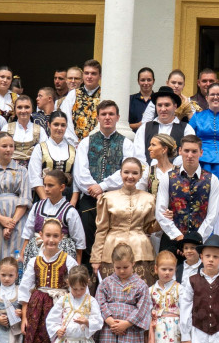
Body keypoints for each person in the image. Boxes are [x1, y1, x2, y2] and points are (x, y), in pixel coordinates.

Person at [17, 219, 77, 343]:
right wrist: (25, 317)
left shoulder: (68, 260)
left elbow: (77, 285)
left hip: (59, 306)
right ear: (40, 236)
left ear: (62, 237)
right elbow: (25, 290)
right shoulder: (35, 260)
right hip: (37, 310)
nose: (51, 240)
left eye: (55, 236)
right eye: (47, 235)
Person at [74, 100, 135, 264]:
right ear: (98, 117)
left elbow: (127, 171)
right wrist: (94, 191)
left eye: (111, 114)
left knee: (114, 240)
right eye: (104, 114)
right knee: (87, 239)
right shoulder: (86, 142)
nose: (107, 117)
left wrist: (102, 187)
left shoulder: (127, 144)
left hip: (115, 198)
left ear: (117, 117)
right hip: (89, 199)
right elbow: (80, 172)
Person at [91, 158, 158, 284]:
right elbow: (101, 229)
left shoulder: (149, 199)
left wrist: (163, 219)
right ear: (120, 173)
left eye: (135, 173)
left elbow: (150, 228)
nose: (130, 176)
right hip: (111, 250)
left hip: (141, 250)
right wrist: (96, 258)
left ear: (140, 175)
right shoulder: (108, 198)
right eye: (126, 172)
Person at [155, 135, 219, 256]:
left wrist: (196, 240)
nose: (190, 155)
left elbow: (212, 215)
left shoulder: (212, 180)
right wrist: (179, 237)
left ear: (201, 152)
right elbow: (160, 212)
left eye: (194, 151)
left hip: (200, 243)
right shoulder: (167, 177)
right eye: (186, 151)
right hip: (172, 240)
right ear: (180, 151)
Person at [0, 133, 31, 262]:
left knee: (16, 257)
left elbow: (25, 198)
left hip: (17, 220)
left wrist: (11, 224)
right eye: (4, 146)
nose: (8, 149)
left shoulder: (22, 171)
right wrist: (1, 219)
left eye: (11, 146)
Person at [19, 170, 85, 263]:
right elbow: (28, 232)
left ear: (62, 187)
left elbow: (79, 242)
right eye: (45, 185)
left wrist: (77, 265)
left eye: (50, 185)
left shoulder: (70, 211)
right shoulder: (37, 207)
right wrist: (23, 254)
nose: (46, 189)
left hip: (62, 255)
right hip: (36, 251)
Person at [133, 86, 195, 164]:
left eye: (167, 105)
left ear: (175, 106)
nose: (163, 109)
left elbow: (188, 155)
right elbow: (138, 156)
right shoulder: (145, 128)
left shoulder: (186, 129)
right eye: (159, 105)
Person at [27, 111, 76, 203]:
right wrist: (45, 201)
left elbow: (76, 178)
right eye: (56, 124)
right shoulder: (40, 148)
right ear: (49, 125)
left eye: (63, 125)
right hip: (44, 195)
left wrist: (72, 204)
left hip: (67, 198)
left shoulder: (73, 150)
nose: (59, 128)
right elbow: (35, 177)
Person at [59, 59, 103, 142]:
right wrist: (74, 142)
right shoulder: (73, 94)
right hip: (75, 144)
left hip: (98, 143)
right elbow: (65, 119)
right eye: (86, 73)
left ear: (100, 76)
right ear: (83, 75)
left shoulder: (105, 95)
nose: (89, 76)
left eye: (93, 73)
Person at [1, 95, 47, 167]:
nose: (23, 111)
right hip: (10, 169)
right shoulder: (6, 128)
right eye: (19, 107)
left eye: (27, 107)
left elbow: (45, 153)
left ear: (32, 109)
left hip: (33, 169)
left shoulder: (40, 130)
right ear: (15, 110)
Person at [143, 133, 178, 199]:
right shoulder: (148, 171)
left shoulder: (179, 172)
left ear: (164, 149)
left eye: (153, 145)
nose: (149, 148)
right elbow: (140, 193)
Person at [128, 67, 155, 132]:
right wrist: (138, 125)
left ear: (153, 81)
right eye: (142, 80)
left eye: (149, 80)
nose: (146, 83)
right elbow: (121, 125)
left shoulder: (158, 100)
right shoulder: (130, 100)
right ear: (138, 81)